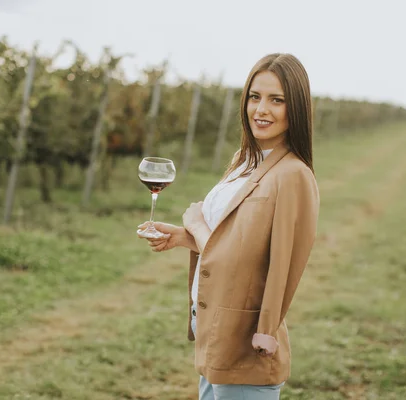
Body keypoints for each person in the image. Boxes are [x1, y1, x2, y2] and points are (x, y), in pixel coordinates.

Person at [137, 53, 320, 400]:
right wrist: (183, 237)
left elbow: (266, 263)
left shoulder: (293, 175)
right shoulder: (243, 161)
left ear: (295, 108)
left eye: (276, 100)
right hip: (213, 323)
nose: (261, 109)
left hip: (245, 337)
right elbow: (240, 244)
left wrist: (195, 222)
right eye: (255, 96)